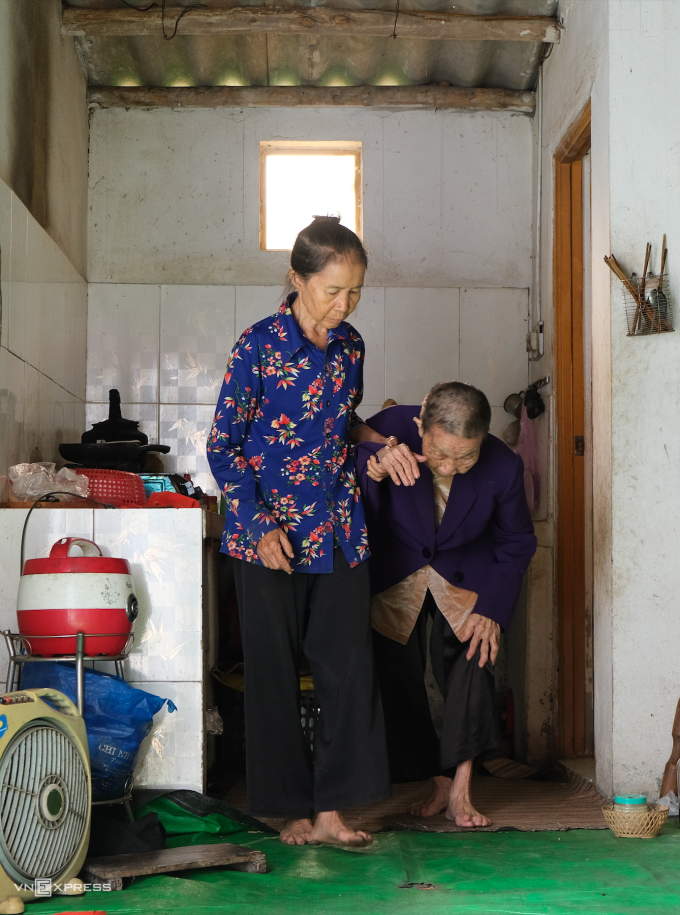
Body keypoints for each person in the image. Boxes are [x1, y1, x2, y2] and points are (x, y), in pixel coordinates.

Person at [207, 216, 408, 847]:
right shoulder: (258, 345)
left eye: (355, 292)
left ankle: (333, 811)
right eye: (331, 291)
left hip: (340, 528)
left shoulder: (351, 347)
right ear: (297, 280)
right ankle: (290, 808)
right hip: (269, 534)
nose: (343, 305)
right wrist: (258, 522)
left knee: (347, 667)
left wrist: (377, 445)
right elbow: (222, 448)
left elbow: (339, 427)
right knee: (270, 670)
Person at [354, 382, 537, 827]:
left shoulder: (503, 465)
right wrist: (373, 468)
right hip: (396, 574)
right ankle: (433, 780)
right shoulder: (391, 429)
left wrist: (493, 609)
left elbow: (516, 543)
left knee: (474, 664)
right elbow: (342, 465)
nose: (451, 466)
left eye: (465, 457)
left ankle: (461, 788)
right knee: (395, 677)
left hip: (465, 577)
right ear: (420, 426)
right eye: (439, 453)